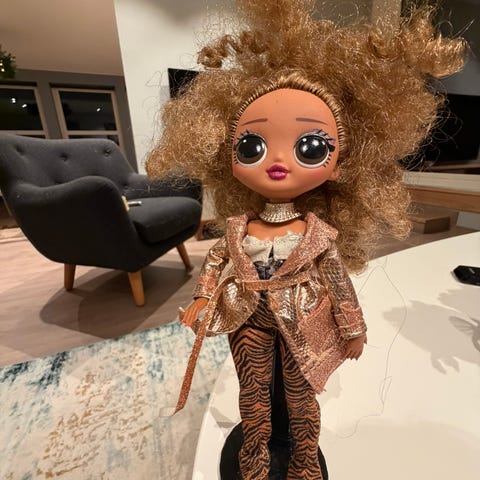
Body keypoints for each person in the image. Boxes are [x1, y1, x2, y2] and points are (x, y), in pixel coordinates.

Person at [147, 1, 466, 478]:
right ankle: (254, 458)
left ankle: (302, 461)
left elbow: (337, 281)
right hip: (247, 317)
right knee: (252, 397)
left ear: (339, 165)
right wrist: (201, 297)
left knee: (301, 398)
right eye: (252, 145)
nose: (278, 161)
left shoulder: (318, 236)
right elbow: (215, 261)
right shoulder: (237, 228)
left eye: (310, 147)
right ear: (226, 154)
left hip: (304, 321)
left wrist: (353, 327)